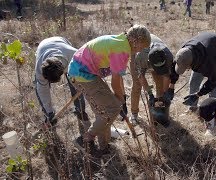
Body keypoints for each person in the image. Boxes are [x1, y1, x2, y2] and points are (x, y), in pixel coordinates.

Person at [68, 25, 151, 153]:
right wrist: (119, 103)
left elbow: (119, 76)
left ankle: (104, 147)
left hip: (85, 72)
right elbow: (115, 81)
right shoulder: (122, 50)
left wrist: (122, 98)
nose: (139, 51)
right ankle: (86, 139)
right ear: (135, 41)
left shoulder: (122, 41)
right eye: (140, 47)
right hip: (82, 74)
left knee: (104, 111)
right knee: (111, 109)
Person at [165, 32, 216, 135]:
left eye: (187, 67)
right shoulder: (184, 52)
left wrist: (197, 94)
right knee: (193, 82)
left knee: (214, 91)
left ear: (192, 63)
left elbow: (213, 82)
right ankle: (193, 108)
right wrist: (171, 86)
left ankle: (213, 124)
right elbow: (175, 68)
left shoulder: (208, 62)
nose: (186, 70)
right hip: (204, 51)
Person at [35, 37, 90, 135]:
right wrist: (49, 111)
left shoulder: (74, 55)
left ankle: (80, 111)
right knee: (39, 88)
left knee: (75, 84)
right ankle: (49, 116)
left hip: (62, 42)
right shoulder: (40, 69)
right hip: (44, 45)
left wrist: (83, 84)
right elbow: (43, 91)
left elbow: (89, 68)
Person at [129, 34, 173, 124]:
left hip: (155, 57)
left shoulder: (167, 56)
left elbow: (166, 76)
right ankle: (134, 114)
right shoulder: (140, 57)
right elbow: (141, 76)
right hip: (138, 50)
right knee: (137, 85)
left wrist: (165, 93)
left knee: (160, 83)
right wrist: (150, 94)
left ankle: (160, 112)